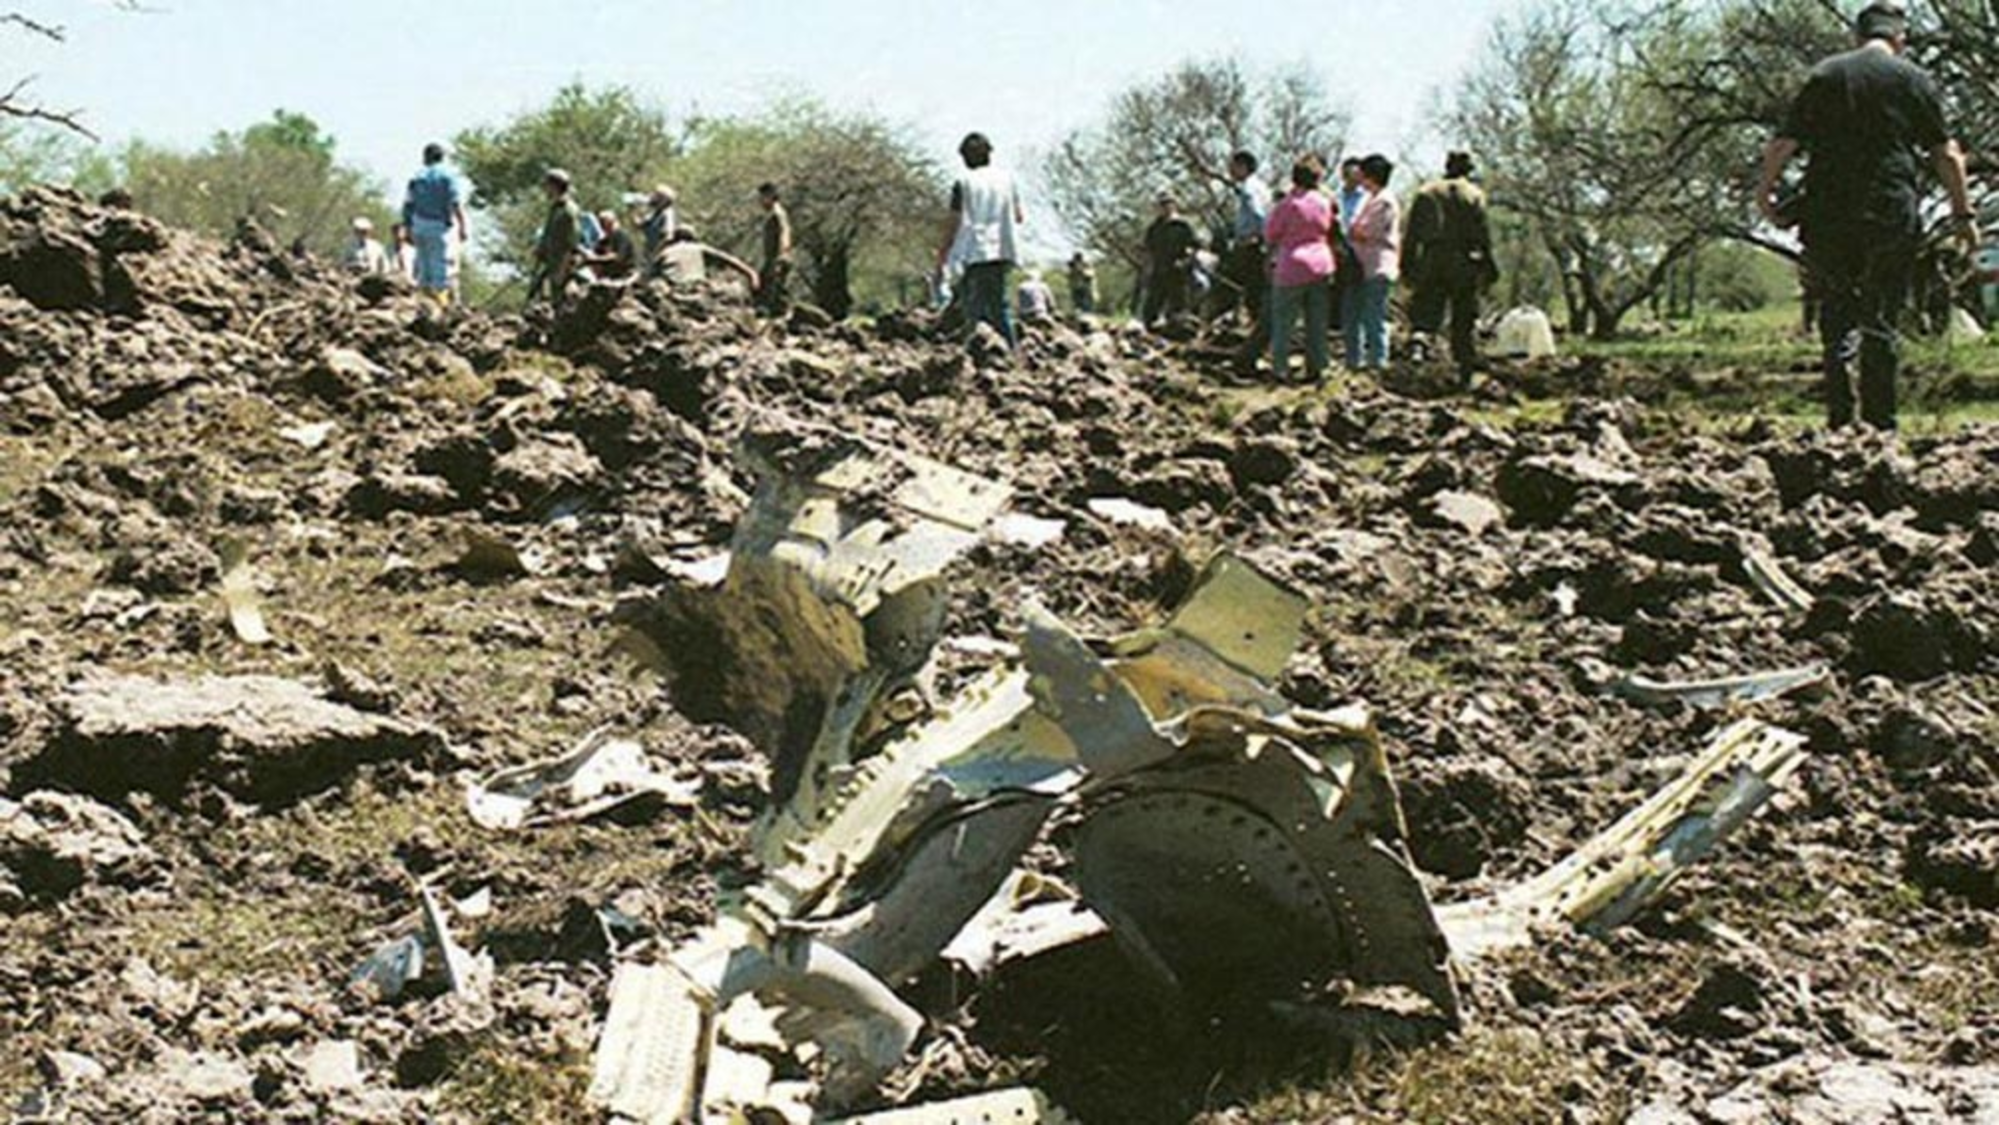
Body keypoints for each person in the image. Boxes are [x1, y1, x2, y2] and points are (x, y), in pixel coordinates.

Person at [1757, 2, 1978, 430]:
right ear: (1900, 39)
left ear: (1858, 37)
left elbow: (1783, 143)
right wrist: (1963, 213)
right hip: (1890, 213)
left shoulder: (1825, 75)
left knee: (1837, 312)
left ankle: (1841, 422)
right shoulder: (1914, 79)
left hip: (1827, 214)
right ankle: (1881, 428)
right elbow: (1945, 153)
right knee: (1881, 316)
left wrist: (1765, 192)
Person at [1404, 150, 1497, 382]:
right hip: (1463, 260)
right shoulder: (1474, 194)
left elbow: (1411, 234)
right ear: (1468, 170)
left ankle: (1419, 344)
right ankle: (1465, 371)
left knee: (1425, 309)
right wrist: (1489, 265)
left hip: (1432, 257)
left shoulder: (1426, 193)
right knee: (1463, 318)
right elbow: (1482, 236)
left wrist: (1407, 265)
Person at [936, 132, 1026, 348]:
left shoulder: (963, 182)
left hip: (976, 249)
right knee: (995, 302)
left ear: (965, 158)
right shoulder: (1007, 180)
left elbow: (954, 222)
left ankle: (999, 352)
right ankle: (999, 350)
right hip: (1004, 248)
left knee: (978, 307)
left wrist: (943, 254)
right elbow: (1019, 216)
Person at [1264, 155, 1337, 383]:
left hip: (1292, 265)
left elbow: (1271, 234)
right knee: (1317, 321)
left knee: (1284, 321)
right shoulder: (1325, 202)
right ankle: (1317, 367)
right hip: (1322, 264)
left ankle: (1280, 369)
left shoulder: (1288, 204)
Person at [1342, 154, 1401, 370]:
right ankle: (1354, 362)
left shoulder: (1384, 201)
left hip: (1377, 266)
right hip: (1361, 266)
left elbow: (1363, 231)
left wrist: (1353, 230)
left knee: (1373, 317)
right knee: (1353, 315)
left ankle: (1377, 363)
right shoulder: (1371, 198)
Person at [401, 142, 468, 305]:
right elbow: (455, 203)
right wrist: (463, 225)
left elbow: (408, 205)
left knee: (423, 269)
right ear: (442, 157)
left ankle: (422, 305)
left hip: (419, 224)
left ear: (425, 157)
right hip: (439, 226)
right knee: (440, 271)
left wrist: (407, 228)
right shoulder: (448, 177)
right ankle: (440, 308)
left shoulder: (416, 177)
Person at [1222, 151, 1271, 371]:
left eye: (1232, 166)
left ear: (1243, 167)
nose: (1230, 170)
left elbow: (1259, 215)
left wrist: (1258, 238)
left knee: (1254, 296)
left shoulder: (1249, 189)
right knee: (1253, 295)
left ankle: (1258, 348)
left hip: (1252, 247)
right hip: (1254, 245)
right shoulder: (1258, 187)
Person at [1141, 193, 1199, 327]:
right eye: (1162, 204)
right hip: (1159, 271)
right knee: (1151, 308)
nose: (1165, 207)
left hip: (1179, 272)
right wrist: (1147, 269)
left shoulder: (1184, 225)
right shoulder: (1154, 228)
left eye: (1168, 203)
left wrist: (1185, 261)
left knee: (1179, 307)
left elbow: (1195, 247)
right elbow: (1148, 250)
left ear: (1174, 205)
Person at [531, 168, 582, 309]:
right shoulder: (555, 209)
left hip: (563, 265)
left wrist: (562, 269)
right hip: (553, 263)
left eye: (547, 186)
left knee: (565, 304)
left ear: (554, 186)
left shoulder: (568, 210)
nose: (545, 190)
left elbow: (572, 242)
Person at [658, 225, 760, 291]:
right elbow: (730, 260)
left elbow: (648, 274)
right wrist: (751, 274)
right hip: (697, 287)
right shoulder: (700, 248)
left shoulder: (666, 252)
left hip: (673, 288)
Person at [756, 182, 793, 315]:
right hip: (771, 258)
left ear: (771, 195)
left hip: (778, 258)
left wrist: (783, 252)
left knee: (775, 292)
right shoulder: (772, 213)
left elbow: (785, 231)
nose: (760, 201)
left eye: (762, 197)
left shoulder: (778, 213)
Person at [585, 209, 638, 281]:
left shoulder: (621, 235)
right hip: (608, 276)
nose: (601, 225)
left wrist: (596, 258)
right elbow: (595, 251)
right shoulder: (605, 240)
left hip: (624, 276)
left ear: (610, 222)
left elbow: (617, 257)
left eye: (602, 222)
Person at [639, 186, 678, 276]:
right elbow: (641, 225)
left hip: (659, 257)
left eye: (656, 196)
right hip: (649, 255)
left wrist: (657, 254)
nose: (652, 198)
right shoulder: (655, 213)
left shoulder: (667, 214)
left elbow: (668, 236)